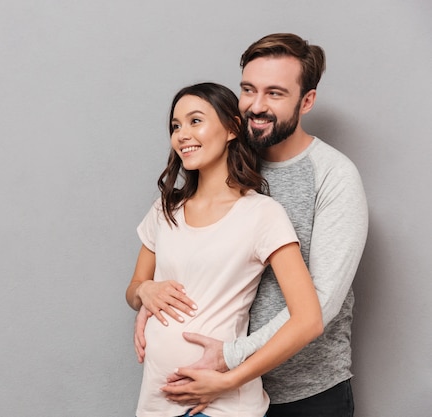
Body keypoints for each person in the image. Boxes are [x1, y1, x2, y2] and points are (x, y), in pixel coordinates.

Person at [135, 34, 369, 417]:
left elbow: (321, 304)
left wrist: (229, 364)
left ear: (306, 100)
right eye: (248, 90)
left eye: (275, 93)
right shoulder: (222, 161)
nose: (256, 106)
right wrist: (146, 293)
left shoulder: (333, 176)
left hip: (304, 392)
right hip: (215, 392)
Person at [126, 82, 323, 417]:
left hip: (221, 407)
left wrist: (229, 381)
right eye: (176, 126)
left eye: (195, 121)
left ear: (232, 128)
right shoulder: (165, 210)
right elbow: (133, 291)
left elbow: (309, 319)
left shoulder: (262, 214)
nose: (182, 134)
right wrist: (146, 289)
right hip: (157, 404)